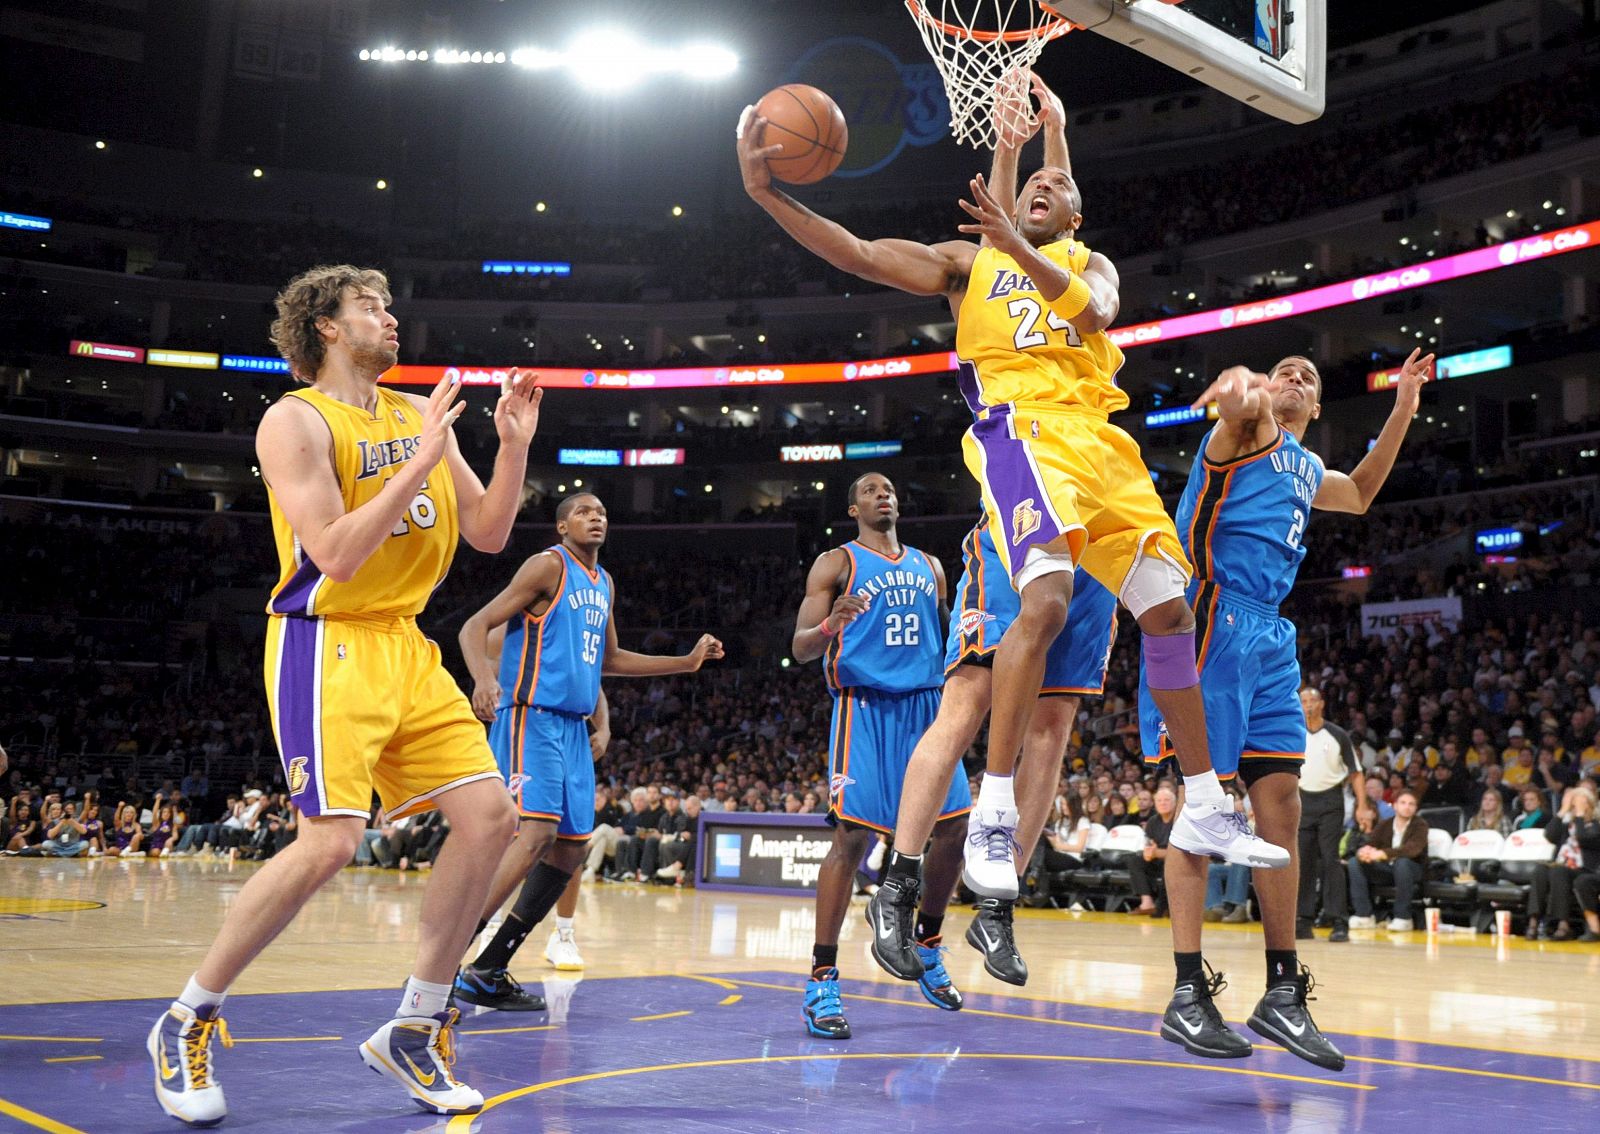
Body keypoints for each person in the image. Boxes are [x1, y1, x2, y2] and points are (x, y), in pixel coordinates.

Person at [737, 78, 1288, 907]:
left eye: (1058, 184)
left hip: (1103, 445)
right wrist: (766, 193)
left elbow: (1094, 314)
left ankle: (1207, 800)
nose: (1043, 184)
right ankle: (992, 811)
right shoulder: (968, 264)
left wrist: (1051, 144)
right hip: (1020, 432)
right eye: (1030, 181)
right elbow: (853, 248)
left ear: (1075, 214)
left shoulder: (1087, 261)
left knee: (1170, 611)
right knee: (1049, 597)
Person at [148, 264, 543, 1125]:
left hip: (406, 643)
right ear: (325, 327)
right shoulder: (294, 420)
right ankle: (186, 1018)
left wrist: (510, 445)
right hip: (325, 640)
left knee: (490, 819)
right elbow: (331, 551)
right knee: (329, 844)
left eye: (391, 305)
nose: (390, 318)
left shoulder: (413, 413)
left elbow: (488, 532)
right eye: (370, 305)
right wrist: (422, 462)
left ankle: (415, 1023)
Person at [1140, 346, 1431, 1071]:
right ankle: (1185, 989)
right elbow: (1238, 399)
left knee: (1283, 807)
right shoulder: (1246, 432)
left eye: (1311, 377)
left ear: (1321, 408)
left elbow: (1361, 493)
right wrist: (1240, 386)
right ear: (1270, 389)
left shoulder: (1304, 468)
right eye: (1285, 371)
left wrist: (1401, 409)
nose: (1296, 378)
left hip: (1270, 633)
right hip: (1209, 616)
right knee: (1207, 810)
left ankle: (1280, 989)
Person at [453, 492, 721, 1012]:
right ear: (561, 526)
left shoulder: (604, 583)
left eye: (602, 511)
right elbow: (473, 626)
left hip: (573, 729)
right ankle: (443, 964)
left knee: (571, 850)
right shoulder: (546, 567)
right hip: (532, 717)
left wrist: (685, 663)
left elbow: (611, 659)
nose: (596, 516)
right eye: (584, 511)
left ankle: (489, 968)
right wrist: (484, 679)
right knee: (535, 833)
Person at [792, 471, 963, 1040]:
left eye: (888, 487)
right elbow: (799, 647)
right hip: (864, 710)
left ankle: (928, 943)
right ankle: (822, 980)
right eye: (868, 489)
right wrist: (829, 622)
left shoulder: (931, 566)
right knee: (851, 841)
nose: (882, 493)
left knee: (956, 829)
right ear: (852, 506)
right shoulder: (835, 563)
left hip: (927, 709)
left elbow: (946, 637)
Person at [1296, 687, 1372, 943]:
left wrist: (1362, 806)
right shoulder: (1294, 731)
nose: (1307, 705)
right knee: (1303, 861)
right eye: (1303, 701)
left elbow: (1356, 772)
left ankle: (1338, 920)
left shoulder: (1337, 734)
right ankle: (1303, 920)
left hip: (1330, 800)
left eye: (1312, 701)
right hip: (1302, 799)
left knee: (1330, 859)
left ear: (1322, 704)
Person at [1346, 788, 1431, 932]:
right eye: (1403, 803)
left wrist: (1382, 854)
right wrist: (1364, 852)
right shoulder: (1385, 824)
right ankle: (1364, 915)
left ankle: (1403, 917)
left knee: (1402, 862)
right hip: (1388, 870)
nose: (1407, 807)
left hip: (1412, 869)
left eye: (1411, 804)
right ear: (1395, 805)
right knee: (1355, 862)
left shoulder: (1420, 825)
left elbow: (1412, 850)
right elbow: (1371, 844)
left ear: (1416, 808)